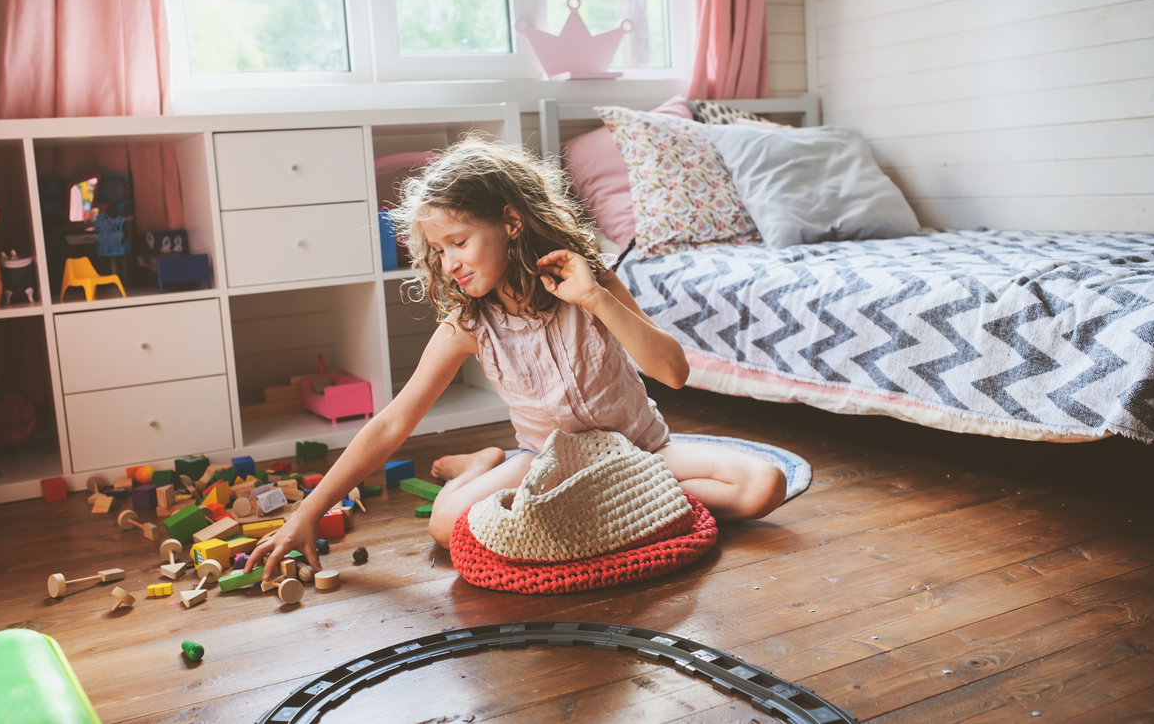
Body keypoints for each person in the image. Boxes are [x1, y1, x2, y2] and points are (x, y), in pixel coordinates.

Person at [246, 137, 786, 581]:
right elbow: (392, 423)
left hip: (639, 452)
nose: (449, 262)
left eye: (458, 241)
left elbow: (673, 371)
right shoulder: (469, 325)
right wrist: (307, 513)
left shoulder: (588, 280)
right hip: (542, 465)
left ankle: (615, 503)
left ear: (510, 221)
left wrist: (594, 298)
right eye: (439, 251)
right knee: (445, 525)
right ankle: (485, 465)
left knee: (764, 484)